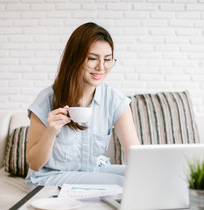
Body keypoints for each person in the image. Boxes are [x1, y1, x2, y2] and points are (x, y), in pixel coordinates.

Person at [25, 22, 140, 190]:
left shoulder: (114, 101)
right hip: (50, 177)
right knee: (122, 184)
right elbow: (35, 165)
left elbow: (135, 153)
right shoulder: (47, 100)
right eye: (93, 58)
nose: (101, 67)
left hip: (92, 171)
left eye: (107, 59)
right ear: (76, 58)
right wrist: (51, 131)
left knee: (134, 176)